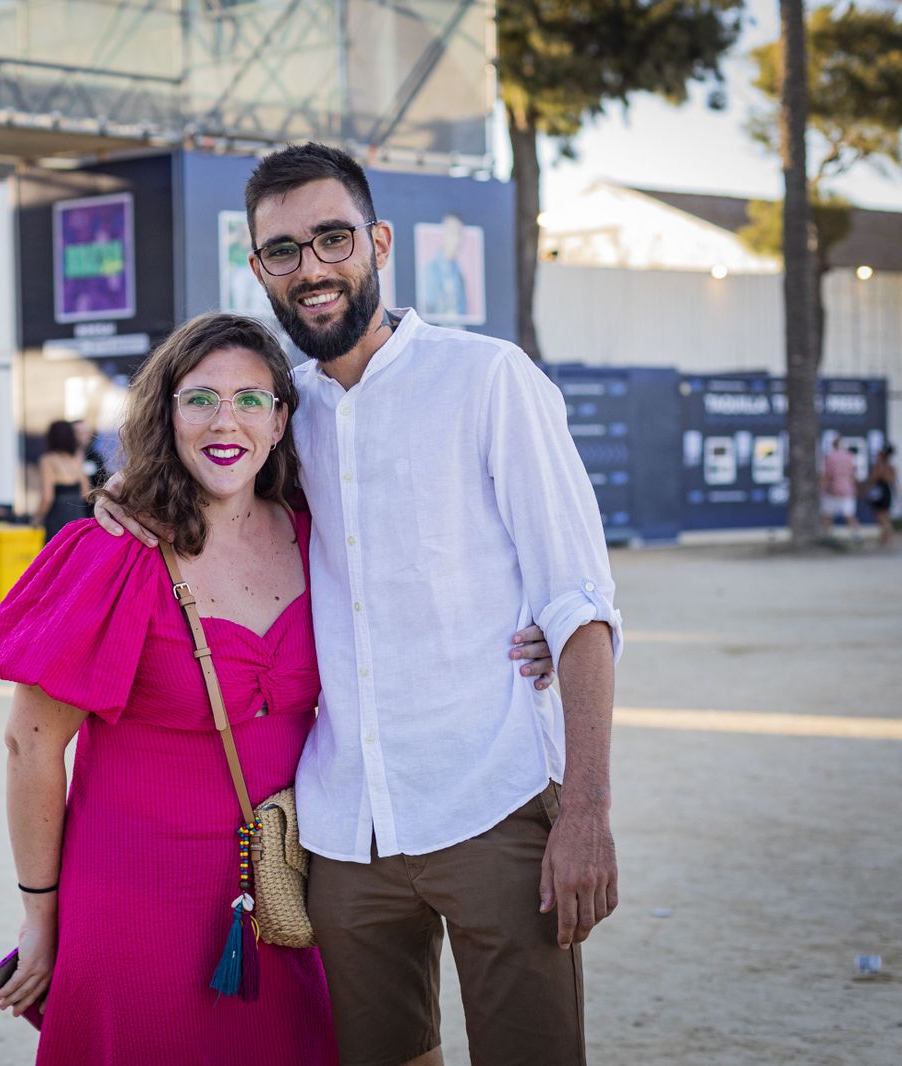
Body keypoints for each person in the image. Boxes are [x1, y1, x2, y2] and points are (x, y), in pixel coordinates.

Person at [97, 142, 615, 1065]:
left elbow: (580, 605)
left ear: (376, 242)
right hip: (342, 833)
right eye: (284, 251)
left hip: (490, 801)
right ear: (260, 270)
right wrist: (121, 490)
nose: (312, 267)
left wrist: (584, 815)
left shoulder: (488, 380)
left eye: (332, 238)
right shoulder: (276, 409)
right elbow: (199, 484)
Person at [0, 314, 338, 1063]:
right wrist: (41, 919)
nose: (225, 421)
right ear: (166, 413)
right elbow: (31, 744)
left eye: (250, 400)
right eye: (200, 398)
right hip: (136, 897)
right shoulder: (116, 552)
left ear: (281, 420)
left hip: (288, 890)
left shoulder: (324, 538)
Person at [35, 420, 87, 543]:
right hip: (77, 514)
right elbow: (86, 491)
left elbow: (48, 497)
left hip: (57, 516)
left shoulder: (47, 460)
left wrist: (37, 517)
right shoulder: (78, 457)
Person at [418, 212, 469, 322]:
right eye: (453, 232)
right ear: (443, 234)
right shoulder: (430, 271)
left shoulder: (459, 273)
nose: (457, 239)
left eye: (460, 233)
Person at [820, 438, 861, 541]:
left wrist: (822, 487)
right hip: (847, 490)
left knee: (827, 515)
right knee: (849, 514)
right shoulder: (849, 457)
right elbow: (853, 474)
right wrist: (855, 487)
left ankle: (828, 535)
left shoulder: (830, 457)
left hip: (832, 490)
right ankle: (856, 535)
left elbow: (827, 475)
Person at [861, 444, 895, 549]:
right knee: (886, 517)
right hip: (887, 492)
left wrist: (865, 489)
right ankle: (886, 538)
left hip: (880, 493)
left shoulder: (879, 466)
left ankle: (885, 539)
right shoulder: (890, 467)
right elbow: (893, 480)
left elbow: (873, 479)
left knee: (881, 517)